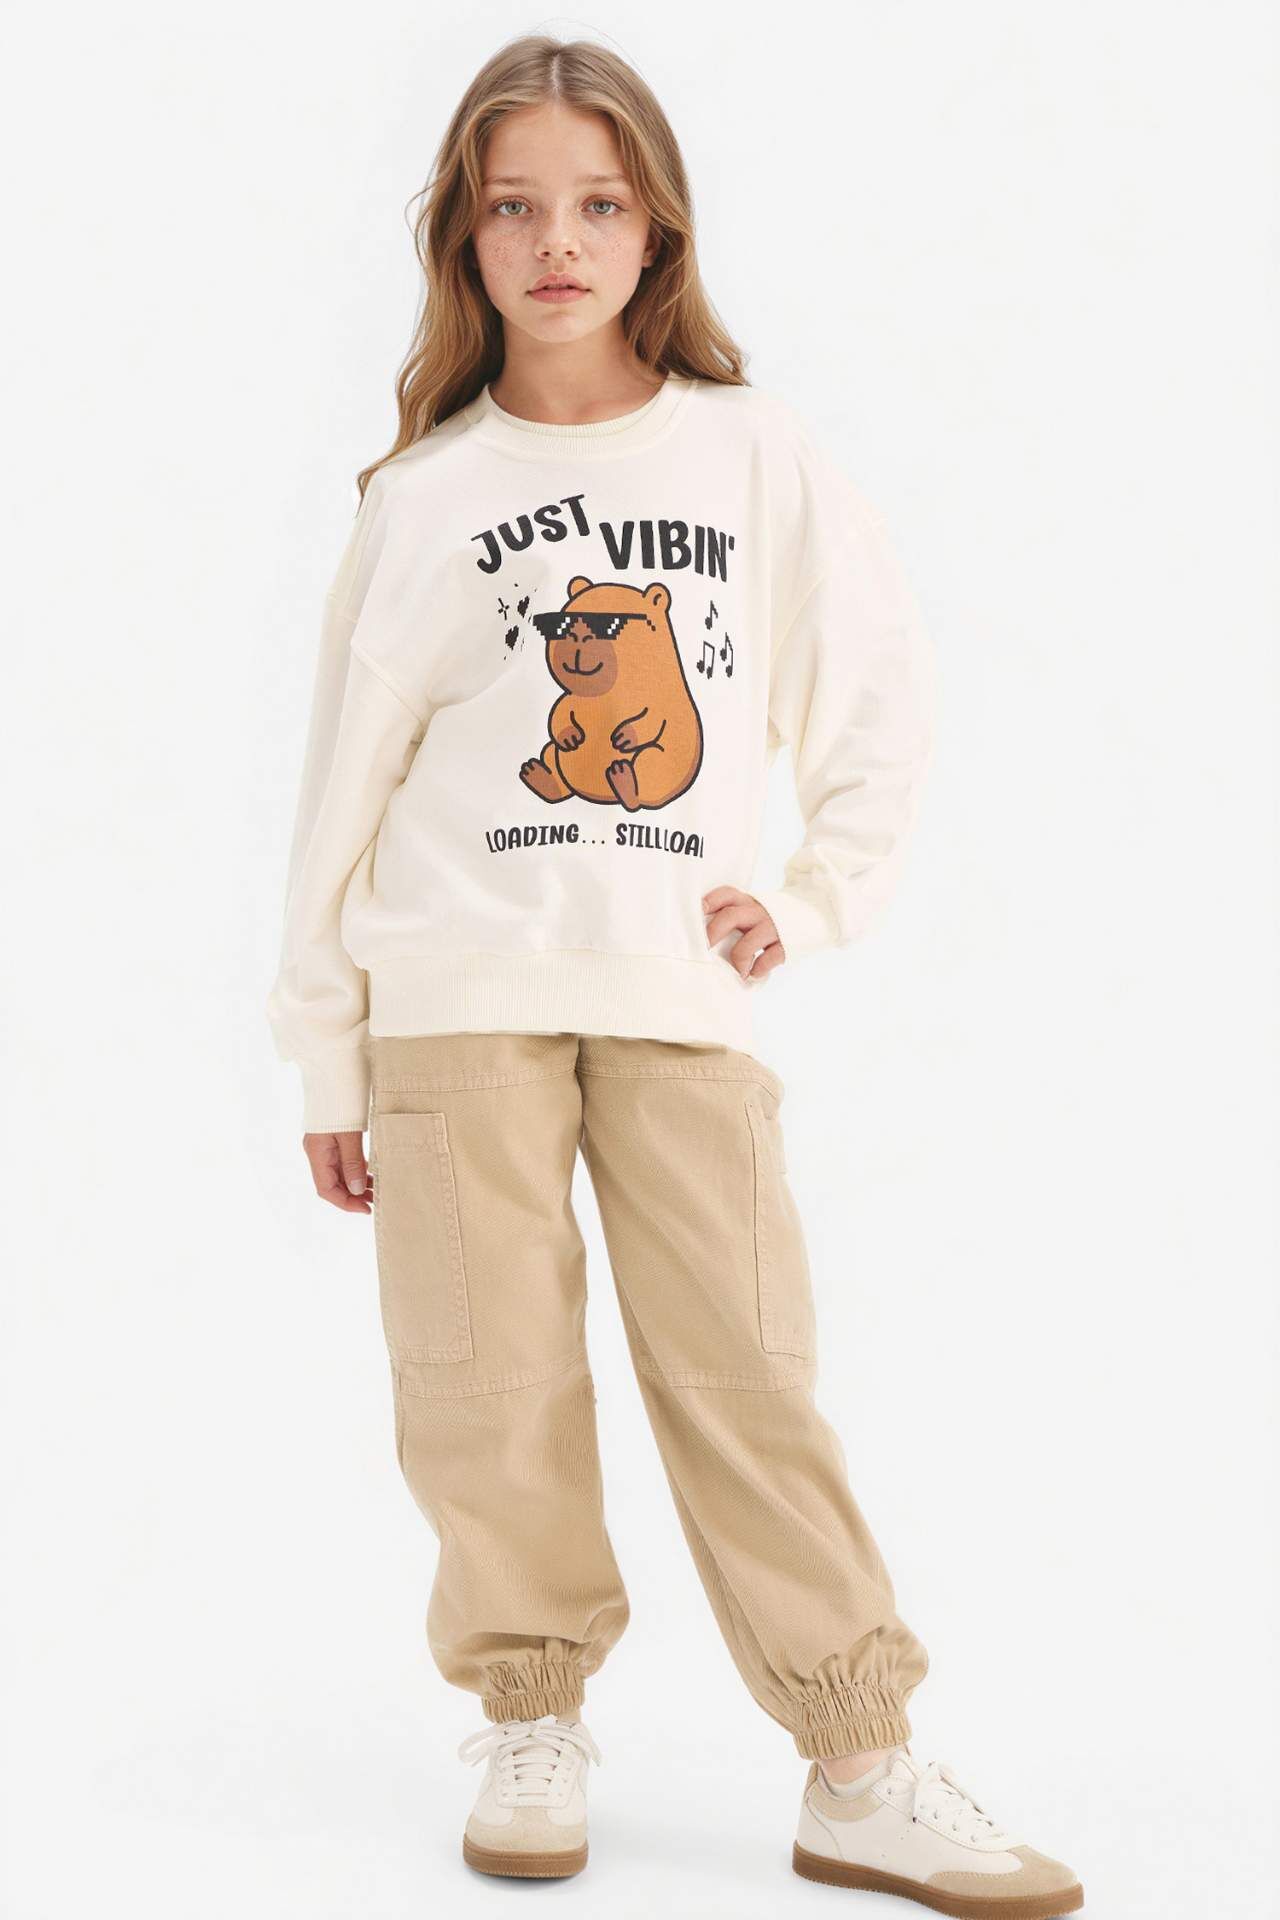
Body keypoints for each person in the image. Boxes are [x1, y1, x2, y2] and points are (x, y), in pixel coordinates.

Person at [265, 33, 1084, 1915]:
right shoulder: (425, 495)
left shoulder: (750, 451)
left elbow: (873, 689)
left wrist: (815, 898)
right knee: (484, 1382)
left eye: (598, 204)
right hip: (451, 999)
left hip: (675, 994)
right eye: (515, 207)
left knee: (747, 1371)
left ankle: (858, 1763)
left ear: (658, 232)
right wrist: (326, 1052)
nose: (557, 243)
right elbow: (339, 792)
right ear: (464, 240)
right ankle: (531, 1713)